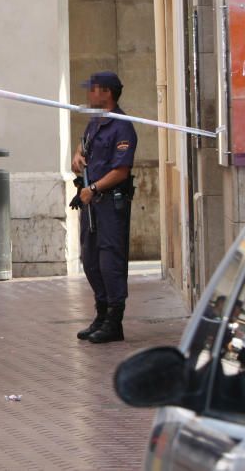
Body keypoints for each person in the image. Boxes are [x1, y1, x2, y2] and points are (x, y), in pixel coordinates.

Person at [71, 72, 137, 344]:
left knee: (110, 261)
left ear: (107, 92)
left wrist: (95, 188)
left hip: (109, 202)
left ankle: (114, 320)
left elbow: (121, 170)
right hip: (91, 204)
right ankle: (101, 313)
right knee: (90, 260)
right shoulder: (96, 123)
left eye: (93, 89)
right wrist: (77, 155)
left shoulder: (122, 127)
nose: (89, 94)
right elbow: (84, 147)